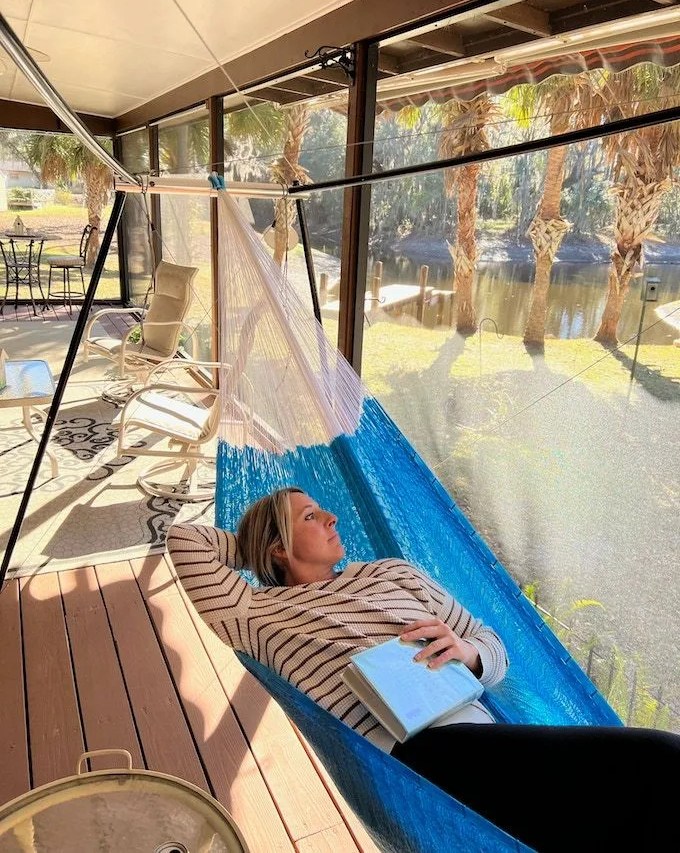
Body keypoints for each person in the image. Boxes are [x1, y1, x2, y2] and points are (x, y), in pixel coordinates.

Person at [167, 486, 680, 853]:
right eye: (308, 517)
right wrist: (255, 545)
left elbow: (492, 645)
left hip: (478, 731)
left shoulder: (392, 573)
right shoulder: (256, 615)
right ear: (277, 546)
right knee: (659, 760)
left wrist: (466, 652)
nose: (331, 519)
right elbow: (184, 540)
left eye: (324, 512)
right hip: (410, 758)